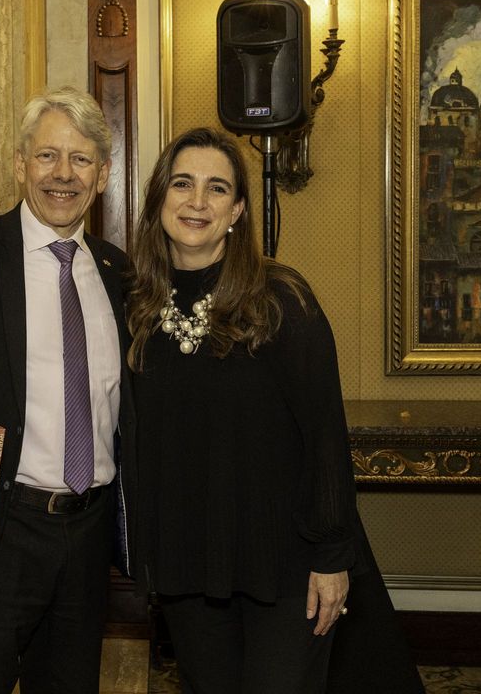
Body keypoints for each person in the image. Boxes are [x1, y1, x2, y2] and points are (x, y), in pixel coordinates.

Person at [126, 126, 357, 693]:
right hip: (186, 560)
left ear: (237, 211)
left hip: (283, 563)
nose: (197, 201)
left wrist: (331, 556)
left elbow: (325, 433)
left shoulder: (280, 299)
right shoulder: (135, 306)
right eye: (182, 183)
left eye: (217, 188)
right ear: (158, 199)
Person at [0, 87, 133, 693]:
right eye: (48, 155)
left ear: (103, 174)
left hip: (90, 531)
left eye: (81, 159)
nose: (63, 174)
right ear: (19, 163)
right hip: (2, 528)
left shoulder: (119, 272)